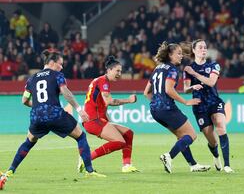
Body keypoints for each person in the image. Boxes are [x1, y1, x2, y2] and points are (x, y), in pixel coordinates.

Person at [0, 50, 105, 189]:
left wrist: (38, 106)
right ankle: (89, 171)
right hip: (54, 114)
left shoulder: (31, 78)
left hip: (37, 116)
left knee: (29, 141)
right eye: (60, 64)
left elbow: (24, 100)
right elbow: (65, 92)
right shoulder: (57, 75)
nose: (62, 67)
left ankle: (10, 170)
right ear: (52, 63)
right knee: (81, 136)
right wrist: (79, 109)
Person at [143, 41, 210, 174]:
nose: (181, 56)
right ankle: (168, 156)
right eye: (178, 54)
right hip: (167, 109)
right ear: (170, 55)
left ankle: (193, 165)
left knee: (181, 136)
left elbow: (146, 92)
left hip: (155, 110)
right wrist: (185, 102)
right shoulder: (173, 69)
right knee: (191, 134)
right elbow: (168, 90)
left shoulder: (158, 68)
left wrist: (156, 104)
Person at [80, 56, 139, 173]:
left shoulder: (100, 81)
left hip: (96, 119)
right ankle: (86, 159)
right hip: (93, 120)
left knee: (128, 133)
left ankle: (126, 165)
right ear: (109, 70)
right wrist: (128, 100)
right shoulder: (103, 81)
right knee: (120, 142)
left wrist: (109, 122)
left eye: (121, 71)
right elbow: (109, 101)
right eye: (117, 71)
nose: (119, 73)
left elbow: (102, 105)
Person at [182, 39, 234, 173]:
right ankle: (216, 155)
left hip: (214, 102)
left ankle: (227, 165)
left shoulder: (213, 65)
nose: (203, 49)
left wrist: (195, 74)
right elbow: (185, 89)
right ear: (194, 50)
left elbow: (211, 82)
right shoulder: (187, 69)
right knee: (211, 139)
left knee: (221, 127)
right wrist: (193, 86)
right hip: (199, 106)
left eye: (205, 47)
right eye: (200, 47)